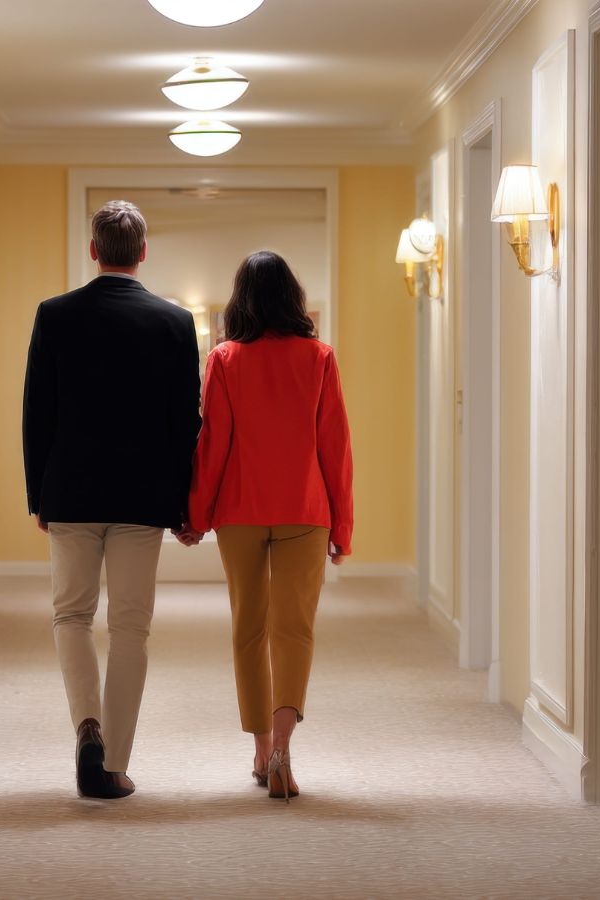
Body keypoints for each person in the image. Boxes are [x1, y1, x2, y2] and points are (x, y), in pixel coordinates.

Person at [22, 200, 202, 800]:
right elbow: (186, 423)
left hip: (70, 491)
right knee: (130, 627)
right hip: (142, 496)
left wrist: (37, 495)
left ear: (94, 251)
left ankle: (88, 728)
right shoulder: (175, 323)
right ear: (143, 252)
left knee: (71, 616)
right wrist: (182, 501)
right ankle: (114, 763)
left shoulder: (55, 315)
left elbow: (36, 414)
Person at [186, 250, 354, 803]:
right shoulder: (320, 357)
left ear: (242, 299)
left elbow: (213, 445)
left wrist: (197, 512)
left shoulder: (226, 359)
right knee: (294, 629)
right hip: (305, 509)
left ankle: (260, 752)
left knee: (249, 628)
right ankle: (284, 747)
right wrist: (343, 526)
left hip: (240, 509)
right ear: (292, 296)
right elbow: (336, 449)